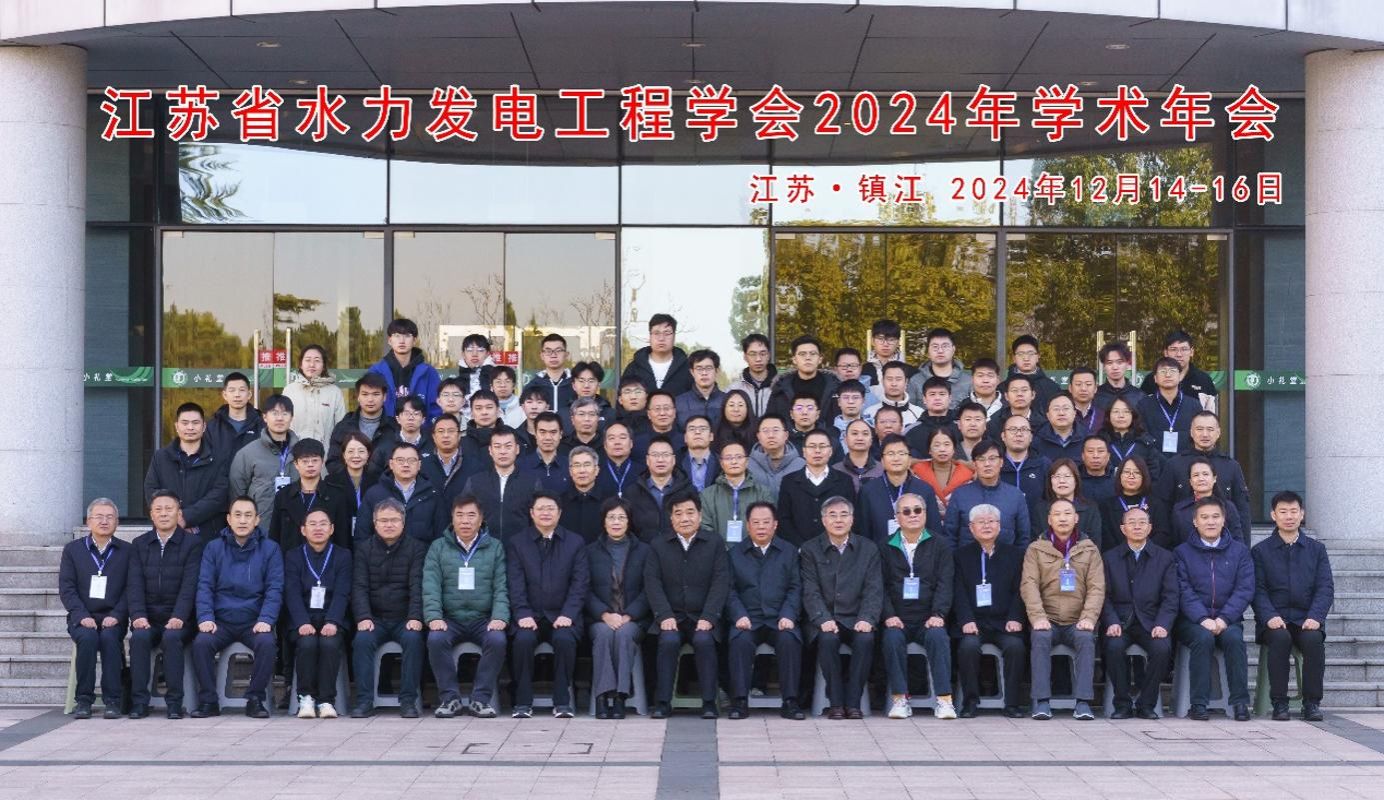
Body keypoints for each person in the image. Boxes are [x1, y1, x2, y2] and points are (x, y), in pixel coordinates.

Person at [191, 496, 284, 719]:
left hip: (254, 621)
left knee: (267, 644)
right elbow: (204, 586)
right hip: (221, 621)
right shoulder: (214, 548)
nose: (243, 520)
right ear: (229, 519)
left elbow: (275, 588)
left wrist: (266, 619)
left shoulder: (270, 549)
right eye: (238, 515)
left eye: (248, 515)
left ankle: (255, 699)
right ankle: (209, 701)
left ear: (257, 520)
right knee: (201, 643)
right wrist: (205, 617)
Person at [645, 490, 730, 719]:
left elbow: (721, 581)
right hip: (670, 616)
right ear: (671, 518)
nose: (685, 518)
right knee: (668, 641)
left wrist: (709, 616)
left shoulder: (714, 542)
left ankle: (709, 702)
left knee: (704, 641)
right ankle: (663, 702)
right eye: (678, 513)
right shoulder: (658, 544)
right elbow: (652, 582)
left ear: (700, 516)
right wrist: (664, 615)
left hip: (703, 616)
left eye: (690, 512)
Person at [506, 491, 590, 719]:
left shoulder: (575, 542)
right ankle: (522, 702)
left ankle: (562, 702)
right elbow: (515, 583)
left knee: (564, 640)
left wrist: (568, 614)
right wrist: (522, 613)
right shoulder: (517, 543)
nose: (546, 513)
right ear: (532, 513)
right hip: (529, 615)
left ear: (559, 513)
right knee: (523, 640)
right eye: (540, 508)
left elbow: (580, 583)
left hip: (563, 616)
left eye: (551, 508)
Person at [424, 495, 509, 718]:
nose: (465, 521)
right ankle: (449, 699)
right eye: (459, 515)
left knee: (497, 640)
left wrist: (499, 616)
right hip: (450, 619)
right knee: (436, 639)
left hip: (483, 619)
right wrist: (434, 616)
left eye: (471, 515)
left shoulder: (495, 547)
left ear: (481, 520)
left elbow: (501, 586)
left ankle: (480, 699)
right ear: (452, 519)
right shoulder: (438, 547)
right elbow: (431, 585)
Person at [1252, 491, 1334, 722]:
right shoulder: (1260, 551)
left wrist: (1315, 616)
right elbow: (1257, 590)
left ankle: (1311, 703)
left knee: (1313, 640)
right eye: (1283, 512)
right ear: (1273, 515)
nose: (1289, 516)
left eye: (1293, 511)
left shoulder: (1316, 550)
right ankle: (1279, 702)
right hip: (1273, 620)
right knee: (1280, 638)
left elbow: (1325, 587)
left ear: (1302, 514)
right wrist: (1269, 616)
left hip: (1306, 618)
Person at [1020, 499, 1105, 721]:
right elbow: (1029, 585)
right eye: (1057, 514)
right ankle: (1041, 701)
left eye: (1067, 513)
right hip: (1047, 619)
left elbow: (1097, 587)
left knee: (1086, 639)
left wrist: (1088, 618)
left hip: (1077, 620)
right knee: (1040, 637)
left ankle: (1083, 702)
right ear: (1049, 519)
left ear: (1076, 518)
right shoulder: (1036, 549)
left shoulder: (1089, 549)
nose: (1063, 518)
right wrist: (1038, 618)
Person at [800, 496, 882, 720]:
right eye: (832, 515)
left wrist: (867, 618)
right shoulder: (810, 549)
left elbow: (874, 589)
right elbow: (810, 590)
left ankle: (853, 703)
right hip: (824, 619)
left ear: (852, 519)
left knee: (865, 639)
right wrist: (822, 619)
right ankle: (835, 703)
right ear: (823, 520)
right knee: (827, 640)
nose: (838, 520)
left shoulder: (868, 549)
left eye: (844, 515)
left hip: (857, 618)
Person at [1175, 496, 1254, 721]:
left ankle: (1240, 702)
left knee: (1234, 639)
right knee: (1203, 638)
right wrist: (1202, 618)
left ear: (1224, 520)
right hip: (1192, 621)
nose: (1210, 522)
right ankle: (1199, 703)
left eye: (1215, 517)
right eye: (1205, 517)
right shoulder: (1182, 552)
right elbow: (1183, 590)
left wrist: (1224, 618)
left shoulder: (1240, 552)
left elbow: (1245, 589)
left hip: (1228, 620)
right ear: (1195, 521)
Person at [725, 502, 805, 721]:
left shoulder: (789, 552)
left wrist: (788, 614)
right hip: (748, 618)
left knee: (789, 640)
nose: (761, 527)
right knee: (740, 641)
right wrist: (739, 615)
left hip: (779, 618)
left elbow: (796, 587)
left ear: (775, 525)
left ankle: (790, 701)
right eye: (756, 522)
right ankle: (739, 701)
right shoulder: (735, 554)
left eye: (766, 522)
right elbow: (729, 591)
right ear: (748, 526)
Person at [880, 493, 957, 720]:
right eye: (906, 511)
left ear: (925, 514)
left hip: (929, 616)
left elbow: (945, 583)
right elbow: (879, 586)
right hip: (898, 617)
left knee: (938, 637)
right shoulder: (884, 546)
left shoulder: (940, 544)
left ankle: (944, 700)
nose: (912, 515)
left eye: (917, 510)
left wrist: (938, 613)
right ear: (897, 517)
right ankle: (900, 699)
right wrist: (889, 615)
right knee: (891, 639)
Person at [349, 498, 428, 718]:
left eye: (394, 520)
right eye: (383, 520)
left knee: (414, 639)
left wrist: (415, 617)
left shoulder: (416, 548)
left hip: (404, 618)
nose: (389, 525)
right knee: (362, 641)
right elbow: (359, 587)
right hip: (375, 618)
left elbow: (417, 586)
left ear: (403, 522)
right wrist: (363, 617)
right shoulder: (364, 549)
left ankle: (408, 701)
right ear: (374, 523)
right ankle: (364, 701)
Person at [127, 491, 201, 719]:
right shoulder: (139, 544)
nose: (164, 513)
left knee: (171, 638)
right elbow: (134, 584)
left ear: (179, 513)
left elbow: (190, 585)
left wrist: (179, 616)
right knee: (139, 638)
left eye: (169, 509)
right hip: (148, 617)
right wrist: (138, 615)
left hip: (181, 619)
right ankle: (139, 702)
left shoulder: (192, 544)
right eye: (158, 509)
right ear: (151, 514)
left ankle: (175, 703)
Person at [1101, 506, 1177, 720]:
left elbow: (1171, 597)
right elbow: (1103, 596)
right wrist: (1111, 621)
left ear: (1150, 528)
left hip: (1151, 622)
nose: (1137, 526)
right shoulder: (1109, 558)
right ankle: (1122, 704)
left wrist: (1162, 624)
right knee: (1113, 646)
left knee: (1161, 649)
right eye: (1131, 522)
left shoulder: (1165, 558)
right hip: (1121, 622)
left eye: (1142, 522)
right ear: (1122, 528)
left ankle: (1147, 703)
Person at [953, 504, 1027, 718]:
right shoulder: (960, 555)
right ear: (971, 527)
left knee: (1015, 647)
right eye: (981, 522)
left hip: (1004, 622)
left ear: (999, 525)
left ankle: (1012, 704)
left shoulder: (1015, 555)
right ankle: (970, 702)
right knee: (968, 647)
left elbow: (1020, 590)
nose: (986, 526)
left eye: (991, 521)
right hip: (973, 621)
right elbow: (958, 591)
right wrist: (966, 619)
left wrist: (1015, 617)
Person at [60, 499, 131, 719]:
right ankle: (83, 700)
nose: (104, 521)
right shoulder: (73, 550)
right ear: (88, 521)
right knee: (88, 638)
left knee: (110, 639)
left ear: (117, 522)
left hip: (113, 617)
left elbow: (131, 589)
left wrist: (117, 615)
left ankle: (113, 700)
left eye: (110, 517)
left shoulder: (127, 551)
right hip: (82, 617)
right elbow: (67, 588)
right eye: (99, 517)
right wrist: (81, 615)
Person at [284, 508, 352, 719]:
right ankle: (306, 698)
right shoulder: (293, 556)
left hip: (332, 617)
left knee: (330, 644)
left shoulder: (343, 556)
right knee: (307, 643)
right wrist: (302, 622)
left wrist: (333, 621)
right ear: (303, 530)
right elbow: (292, 593)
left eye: (323, 524)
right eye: (312, 524)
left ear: (331, 529)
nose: (318, 528)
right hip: (303, 618)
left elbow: (342, 592)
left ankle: (326, 701)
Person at [585, 498, 650, 719]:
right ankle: (603, 696)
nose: (616, 522)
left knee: (623, 634)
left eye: (621, 517)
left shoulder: (644, 551)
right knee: (604, 634)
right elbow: (584, 589)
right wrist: (604, 614)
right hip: (599, 618)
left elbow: (650, 589)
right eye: (611, 517)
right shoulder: (590, 551)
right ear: (603, 521)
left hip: (634, 619)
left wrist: (630, 615)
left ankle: (621, 696)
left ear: (629, 522)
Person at [1156, 412, 1253, 545]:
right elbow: (1163, 509)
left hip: (1225, 546)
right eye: (1199, 429)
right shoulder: (1174, 464)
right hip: (1183, 545)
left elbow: (1243, 511)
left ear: (1218, 433)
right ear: (1191, 432)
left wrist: (1245, 549)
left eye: (1210, 429)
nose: (1205, 434)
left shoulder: (1231, 466)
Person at [144, 401, 228, 538]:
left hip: (206, 534)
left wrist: (186, 517)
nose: (190, 427)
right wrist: (172, 516)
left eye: (195, 423)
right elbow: (151, 489)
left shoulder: (217, 458)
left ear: (204, 426)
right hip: (167, 532)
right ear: (177, 426)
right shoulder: (161, 457)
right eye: (185, 423)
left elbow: (218, 495)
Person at [944, 440, 1032, 548]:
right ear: (974, 464)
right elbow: (949, 535)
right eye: (981, 459)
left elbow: (1023, 537)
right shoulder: (960, 494)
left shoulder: (1015, 496)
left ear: (1001, 462)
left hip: (1006, 557)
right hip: (966, 557)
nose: (987, 464)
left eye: (992, 458)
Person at [269, 438, 352, 551]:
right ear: (296, 464)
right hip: (290, 558)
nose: (310, 465)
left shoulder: (337, 496)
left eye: (315, 460)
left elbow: (343, 538)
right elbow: (274, 535)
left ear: (322, 462)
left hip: (327, 558)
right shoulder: (283, 496)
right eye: (305, 461)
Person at [776, 430, 857, 547]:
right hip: (798, 549)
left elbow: (852, 516)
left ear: (830, 451)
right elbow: (784, 519)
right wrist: (801, 547)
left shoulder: (844, 481)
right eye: (812, 446)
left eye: (822, 446)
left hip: (835, 548)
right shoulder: (789, 481)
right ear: (804, 451)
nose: (817, 450)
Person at [460, 427, 541, 542]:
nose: (503, 451)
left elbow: (538, 521)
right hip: (484, 548)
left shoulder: (531, 482)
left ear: (517, 449)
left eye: (508, 446)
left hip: (521, 548)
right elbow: (463, 516)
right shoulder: (475, 482)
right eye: (497, 446)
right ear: (490, 450)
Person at [857, 434, 941, 543]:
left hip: (918, 551)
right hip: (879, 551)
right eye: (890, 454)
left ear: (909, 459)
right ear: (882, 461)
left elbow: (934, 530)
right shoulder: (868, 491)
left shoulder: (925, 490)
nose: (896, 458)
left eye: (901, 453)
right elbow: (863, 534)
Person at [229, 394, 300, 522]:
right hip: (261, 525)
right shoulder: (248, 453)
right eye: (274, 413)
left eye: (285, 414)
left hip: (296, 524)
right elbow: (237, 493)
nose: (280, 418)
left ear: (292, 418)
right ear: (265, 417)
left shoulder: (302, 452)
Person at [355, 442, 440, 543]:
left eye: (411, 461)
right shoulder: (374, 494)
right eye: (400, 460)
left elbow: (440, 535)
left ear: (419, 465)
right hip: (383, 552)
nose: (406, 465)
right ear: (391, 464)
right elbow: (362, 535)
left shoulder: (432, 493)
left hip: (422, 552)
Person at [700, 440, 775, 545]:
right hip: (718, 552)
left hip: (754, 552)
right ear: (721, 463)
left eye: (739, 457)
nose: (734, 462)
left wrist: (748, 550)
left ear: (747, 461)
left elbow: (769, 526)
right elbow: (705, 528)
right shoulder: (707, 495)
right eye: (728, 458)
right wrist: (720, 550)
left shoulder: (762, 492)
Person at [368, 317, 441, 418]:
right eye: (397, 336)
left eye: (407, 336)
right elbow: (369, 405)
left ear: (414, 340)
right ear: (389, 340)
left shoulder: (428, 372)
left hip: (420, 427)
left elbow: (436, 408)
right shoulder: (376, 372)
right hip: (385, 427)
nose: (402, 341)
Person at [627, 436, 695, 542]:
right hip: (644, 550)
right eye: (655, 455)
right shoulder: (633, 492)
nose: (660, 460)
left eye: (665, 455)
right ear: (647, 460)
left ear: (673, 460)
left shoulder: (688, 490)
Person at [326, 373, 397, 474]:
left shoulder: (394, 427)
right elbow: (333, 462)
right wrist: (354, 478)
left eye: (376, 394)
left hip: (384, 483)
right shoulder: (344, 426)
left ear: (384, 397)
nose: (370, 399)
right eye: (365, 394)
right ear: (358, 397)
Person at [1030, 459, 1105, 551]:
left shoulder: (1090, 509)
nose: (1062, 481)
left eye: (1067, 476)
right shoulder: (1040, 509)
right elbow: (1035, 545)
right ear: (1050, 481)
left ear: (1076, 480)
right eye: (1057, 476)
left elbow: (1094, 545)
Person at [1099, 457, 1172, 551]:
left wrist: (1143, 552)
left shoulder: (1156, 504)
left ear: (1144, 476)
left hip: (1151, 556)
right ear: (1119, 475)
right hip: (1117, 557)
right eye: (1126, 472)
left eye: (1137, 472)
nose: (1131, 476)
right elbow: (1106, 538)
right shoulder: (1106, 506)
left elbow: (1163, 534)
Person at [1169, 457, 1245, 547]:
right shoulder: (1180, 510)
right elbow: (1175, 544)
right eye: (1196, 475)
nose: (1201, 478)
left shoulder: (1228, 507)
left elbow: (1238, 542)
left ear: (1214, 478)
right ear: (1190, 481)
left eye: (1205, 474)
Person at [1139, 330, 1219, 413]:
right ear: (1166, 353)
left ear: (1191, 352)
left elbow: (1212, 415)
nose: (1179, 354)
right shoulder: (1152, 380)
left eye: (1184, 349)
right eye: (1173, 349)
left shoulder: (1203, 380)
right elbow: (1143, 411)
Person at [1137, 357, 1203, 456]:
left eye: (1172, 371)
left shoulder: (1194, 405)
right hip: (1154, 461)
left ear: (1180, 376)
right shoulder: (1144, 405)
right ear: (1155, 378)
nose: (1168, 375)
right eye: (1163, 371)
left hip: (1187, 461)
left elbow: (1199, 435)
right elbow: (1141, 435)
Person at [283, 345, 347, 444]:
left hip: (325, 451)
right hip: (295, 450)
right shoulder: (290, 391)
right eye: (307, 360)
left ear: (323, 366)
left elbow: (341, 428)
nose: (312, 364)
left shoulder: (334, 392)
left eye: (317, 360)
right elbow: (282, 424)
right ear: (301, 364)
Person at [767, 335, 840, 420]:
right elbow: (770, 421)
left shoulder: (836, 387)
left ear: (820, 359)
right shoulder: (780, 388)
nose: (808, 358)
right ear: (794, 359)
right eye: (802, 354)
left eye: (813, 354)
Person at [421, 413, 479, 518]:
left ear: (459, 435)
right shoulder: (422, 466)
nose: (446, 435)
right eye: (441, 431)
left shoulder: (475, 466)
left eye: (451, 431)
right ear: (433, 437)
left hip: (463, 524)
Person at [623, 313, 693, 395]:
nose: (661, 338)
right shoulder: (634, 368)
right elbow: (623, 398)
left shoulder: (687, 368)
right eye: (656, 333)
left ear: (674, 336)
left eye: (667, 333)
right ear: (650, 336)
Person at [1100, 396, 1166, 483]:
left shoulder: (1145, 443)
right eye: (1116, 411)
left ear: (1133, 415)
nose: (1121, 416)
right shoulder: (1100, 441)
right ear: (1108, 415)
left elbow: (1153, 474)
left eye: (1126, 411)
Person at [205, 372, 263, 471]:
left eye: (242, 390)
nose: (237, 395)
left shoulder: (261, 425)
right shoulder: (212, 427)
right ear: (225, 395)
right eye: (232, 390)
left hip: (253, 480)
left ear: (249, 394)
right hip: (220, 480)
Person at [911, 426, 974, 514]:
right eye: (937, 445)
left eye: (947, 444)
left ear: (954, 449)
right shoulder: (917, 474)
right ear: (929, 450)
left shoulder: (967, 475)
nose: (942, 449)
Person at [907, 328, 972, 409]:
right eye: (935, 346)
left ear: (953, 349)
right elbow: (910, 412)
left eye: (945, 346)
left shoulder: (968, 381)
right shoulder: (916, 381)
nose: (940, 351)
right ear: (928, 351)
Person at [322, 432, 373, 533]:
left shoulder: (377, 482)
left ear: (368, 454)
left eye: (361, 451)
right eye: (350, 451)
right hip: (340, 534)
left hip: (369, 534)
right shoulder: (331, 482)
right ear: (344, 455)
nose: (356, 456)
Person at [998, 414, 1051, 510]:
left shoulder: (1043, 464)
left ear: (1031, 437)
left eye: (1024, 429)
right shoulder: (995, 464)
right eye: (1013, 429)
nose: (1019, 434)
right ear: (1003, 436)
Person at [747, 414, 804, 498]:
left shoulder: (801, 465)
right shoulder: (747, 465)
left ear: (786, 435)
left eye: (776, 430)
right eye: (765, 431)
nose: (771, 435)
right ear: (758, 436)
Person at [1001, 335, 1061, 412]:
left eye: (1031, 353)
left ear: (1038, 356)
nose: (1026, 358)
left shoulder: (1052, 388)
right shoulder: (1002, 388)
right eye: (1021, 354)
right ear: (1014, 358)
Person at [559, 446, 605, 544]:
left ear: (596, 470)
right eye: (577, 465)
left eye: (587, 465)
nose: (582, 470)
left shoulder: (609, 502)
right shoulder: (559, 502)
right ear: (570, 471)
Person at [903, 377, 957, 457]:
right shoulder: (911, 431)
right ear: (924, 399)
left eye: (942, 394)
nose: (937, 398)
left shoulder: (961, 427)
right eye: (932, 394)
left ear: (950, 398)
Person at [523, 333, 575, 414]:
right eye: (548, 351)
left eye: (558, 351)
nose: (553, 355)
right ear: (542, 356)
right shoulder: (532, 385)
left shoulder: (576, 384)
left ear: (566, 355)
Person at [727, 333, 777, 417]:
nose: (758, 359)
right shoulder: (733, 389)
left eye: (762, 353)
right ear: (745, 357)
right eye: (753, 354)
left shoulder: (781, 386)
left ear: (768, 355)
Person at [676, 349, 726, 427]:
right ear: (692, 372)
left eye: (708, 368)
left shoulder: (727, 401)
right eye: (699, 369)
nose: (704, 373)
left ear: (717, 371)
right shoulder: (678, 402)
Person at [832, 419, 882, 493]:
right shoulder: (835, 470)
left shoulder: (882, 470)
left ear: (871, 440)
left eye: (865, 434)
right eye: (854, 433)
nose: (860, 438)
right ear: (845, 439)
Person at [985, 373, 1039, 442]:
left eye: (1024, 390)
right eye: (1014, 390)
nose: (1019, 394)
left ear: (1033, 395)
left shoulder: (1044, 423)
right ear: (1006, 396)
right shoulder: (994, 424)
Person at [861, 319, 916, 386]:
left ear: (898, 342)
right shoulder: (862, 371)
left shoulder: (911, 373)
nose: (885, 344)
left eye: (891, 339)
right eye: (880, 339)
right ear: (872, 341)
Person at [1033, 392, 1083, 463]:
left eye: (1066, 408)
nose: (1061, 413)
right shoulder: (1036, 440)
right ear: (1048, 415)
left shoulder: (1086, 438)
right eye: (1056, 409)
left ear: (1074, 413)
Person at [873, 362, 925, 429]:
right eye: (889, 379)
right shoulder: (870, 413)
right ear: (882, 381)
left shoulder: (919, 413)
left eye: (898, 379)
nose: (894, 384)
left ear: (906, 382)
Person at [595, 421, 638, 500]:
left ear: (631, 443)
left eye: (622, 438)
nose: (617, 442)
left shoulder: (643, 472)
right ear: (605, 445)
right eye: (612, 438)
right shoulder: (596, 472)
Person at [1096, 341, 1143, 412]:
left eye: (1119, 362)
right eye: (1109, 363)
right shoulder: (1095, 396)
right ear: (1104, 366)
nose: (1115, 367)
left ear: (1127, 364)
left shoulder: (1139, 396)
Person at [635, 391, 684, 455]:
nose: (662, 413)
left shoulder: (685, 440)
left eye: (666, 408)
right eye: (657, 409)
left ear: (674, 412)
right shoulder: (637, 443)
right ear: (649, 414)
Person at [680, 415, 720, 492]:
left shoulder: (721, 462)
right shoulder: (676, 462)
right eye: (692, 429)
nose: (697, 432)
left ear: (711, 436)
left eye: (703, 429)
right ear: (685, 438)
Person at [455, 333, 496, 404]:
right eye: (469, 350)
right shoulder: (455, 383)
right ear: (463, 354)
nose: (474, 354)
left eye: (480, 350)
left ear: (487, 354)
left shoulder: (497, 378)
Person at [1078, 435, 1116, 505]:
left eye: (1100, 451)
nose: (1095, 456)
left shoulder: (1117, 480)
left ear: (1108, 456)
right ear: (1083, 456)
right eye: (1090, 451)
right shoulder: (1075, 479)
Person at [1068, 367, 1105, 435]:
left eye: (1088, 384)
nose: (1083, 389)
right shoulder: (1062, 413)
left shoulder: (1103, 415)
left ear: (1095, 388)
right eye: (1078, 384)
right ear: (1070, 388)